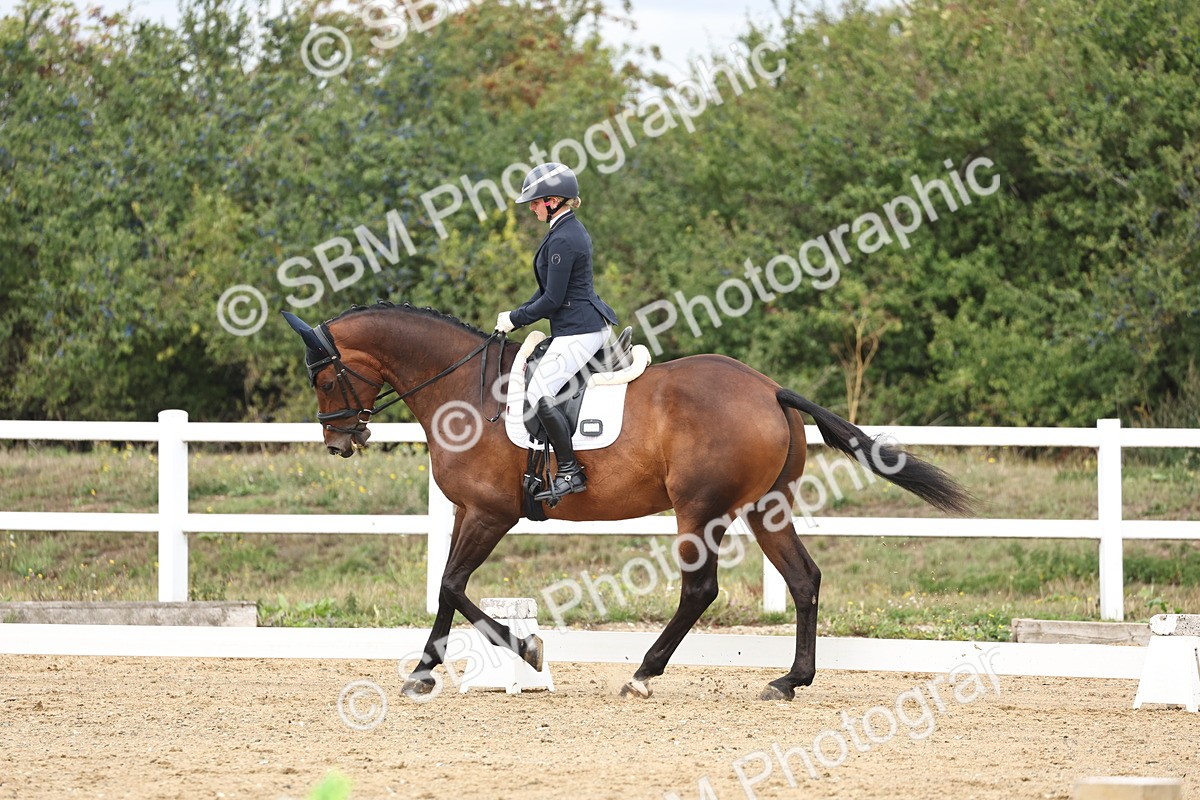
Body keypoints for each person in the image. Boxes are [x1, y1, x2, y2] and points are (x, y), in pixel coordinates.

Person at [496, 162, 618, 501]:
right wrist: (515, 314)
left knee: (538, 392)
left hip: (580, 330)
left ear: (552, 200)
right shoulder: (562, 231)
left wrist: (517, 319)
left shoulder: (565, 237)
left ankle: (569, 471)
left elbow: (552, 300)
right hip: (575, 326)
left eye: (534, 202)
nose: (531, 208)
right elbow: (546, 290)